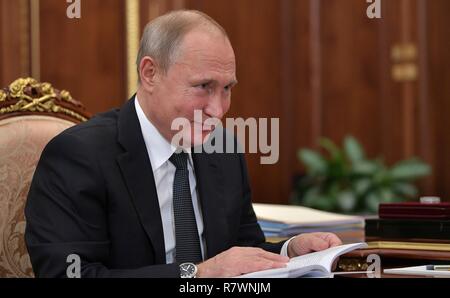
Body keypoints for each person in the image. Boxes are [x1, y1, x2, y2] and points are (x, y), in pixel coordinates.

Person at [25, 10, 342, 278]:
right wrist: (196, 273)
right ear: (150, 73)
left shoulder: (223, 149)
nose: (217, 110)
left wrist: (290, 250)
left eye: (227, 88)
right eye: (203, 86)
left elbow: (243, 252)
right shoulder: (80, 156)